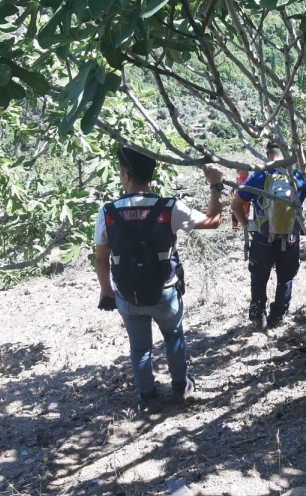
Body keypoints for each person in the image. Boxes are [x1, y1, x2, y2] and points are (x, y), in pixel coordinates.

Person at [94, 148, 224, 412]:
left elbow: (101, 258)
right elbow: (213, 221)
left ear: (126, 176)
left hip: (127, 295)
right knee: (174, 337)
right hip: (165, 292)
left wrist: (106, 291)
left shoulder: (107, 212)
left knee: (140, 349)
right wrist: (216, 186)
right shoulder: (169, 207)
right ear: (151, 177)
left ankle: (149, 397)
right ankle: (180, 388)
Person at [231, 140, 306, 331]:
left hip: (262, 240)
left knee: (259, 280)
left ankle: (260, 319)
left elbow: (235, 205)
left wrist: (247, 225)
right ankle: (278, 317)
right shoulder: (297, 176)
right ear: (286, 153)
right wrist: (303, 222)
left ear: (268, 155)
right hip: (290, 239)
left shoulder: (260, 176)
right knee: (285, 279)